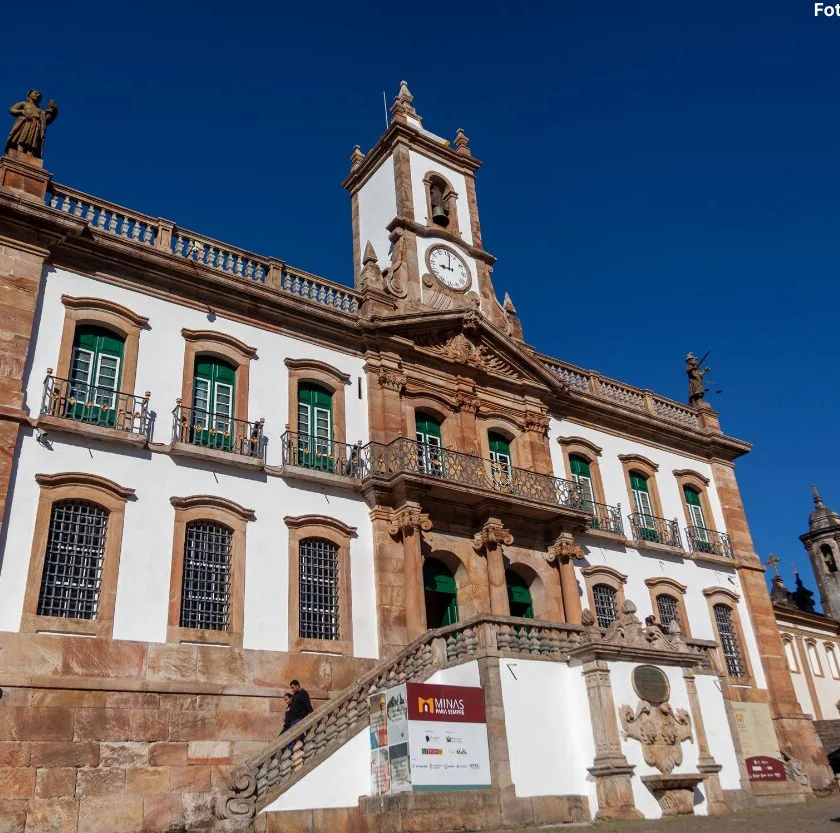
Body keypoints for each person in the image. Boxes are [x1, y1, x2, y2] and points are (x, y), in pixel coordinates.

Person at [286, 679, 314, 752]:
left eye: (293, 687)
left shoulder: (303, 693)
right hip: (293, 719)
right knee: (294, 737)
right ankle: (298, 751)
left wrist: (312, 713)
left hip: (299, 718)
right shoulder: (295, 695)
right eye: (291, 688)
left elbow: (307, 704)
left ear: (298, 685)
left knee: (299, 737)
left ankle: (302, 750)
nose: (292, 689)